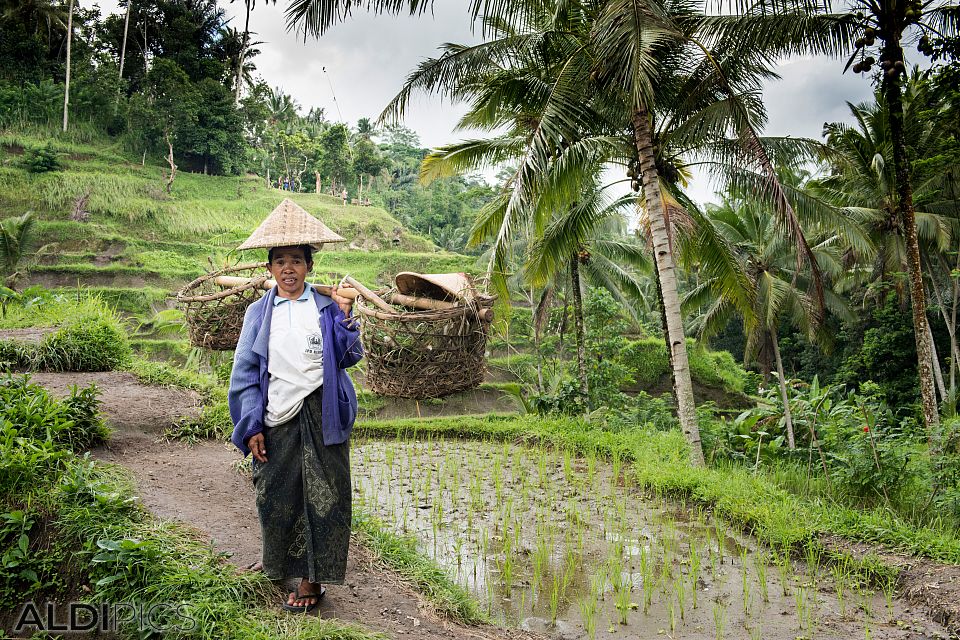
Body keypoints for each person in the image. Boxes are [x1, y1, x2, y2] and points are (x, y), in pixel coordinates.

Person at [228, 244, 362, 613]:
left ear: (309, 266)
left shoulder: (325, 306)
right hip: (276, 412)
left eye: (297, 261)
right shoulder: (259, 312)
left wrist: (345, 316)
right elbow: (245, 371)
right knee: (274, 491)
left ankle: (312, 579)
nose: (289, 269)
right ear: (270, 268)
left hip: (323, 412)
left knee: (325, 495)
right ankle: (276, 562)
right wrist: (250, 423)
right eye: (281, 262)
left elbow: (349, 356)